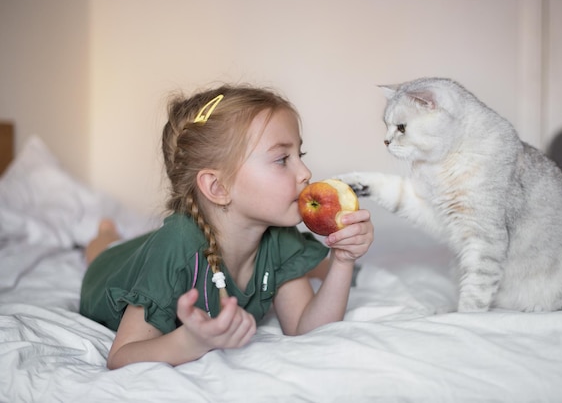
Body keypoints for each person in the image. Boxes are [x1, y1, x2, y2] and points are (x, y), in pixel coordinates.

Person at [79, 84, 374, 369]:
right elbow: (121, 356)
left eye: (301, 155)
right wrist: (190, 341)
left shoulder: (279, 234)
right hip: (108, 270)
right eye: (283, 159)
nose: (306, 173)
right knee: (105, 250)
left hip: (171, 247)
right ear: (218, 187)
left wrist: (342, 261)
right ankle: (106, 233)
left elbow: (303, 329)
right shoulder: (176, 244)